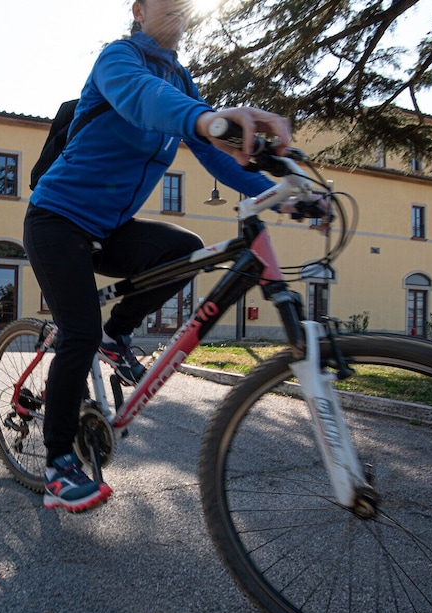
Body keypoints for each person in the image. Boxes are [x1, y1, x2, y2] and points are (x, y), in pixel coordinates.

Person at [24, 0, 294, 512]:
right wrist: (209, 119)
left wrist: (283, 189)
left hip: (109, 228)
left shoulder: (182, 80)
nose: (179, 14)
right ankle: (58, 462)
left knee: (185, 250)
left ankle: (117, 333)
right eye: (167, 6)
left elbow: (216, 154)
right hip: (56, 219)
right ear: (139, 10)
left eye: (184, 7)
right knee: (76, 332)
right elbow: (145, 101)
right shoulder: (117, 59)